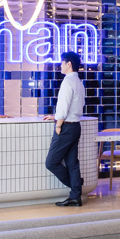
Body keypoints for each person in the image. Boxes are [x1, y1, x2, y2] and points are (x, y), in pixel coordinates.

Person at [44, 51, 85, 207]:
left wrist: (58, 124)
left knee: (51, 162)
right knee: (72, 163)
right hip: (75, 126)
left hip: (66, 127)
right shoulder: (78, 82)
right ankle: (75, 195)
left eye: (61, 63)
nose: (59, 65)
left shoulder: (68, 82)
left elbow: (63, 106)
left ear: (69, 64)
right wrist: (56, 117)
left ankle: (76, 185)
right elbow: (77, 105)